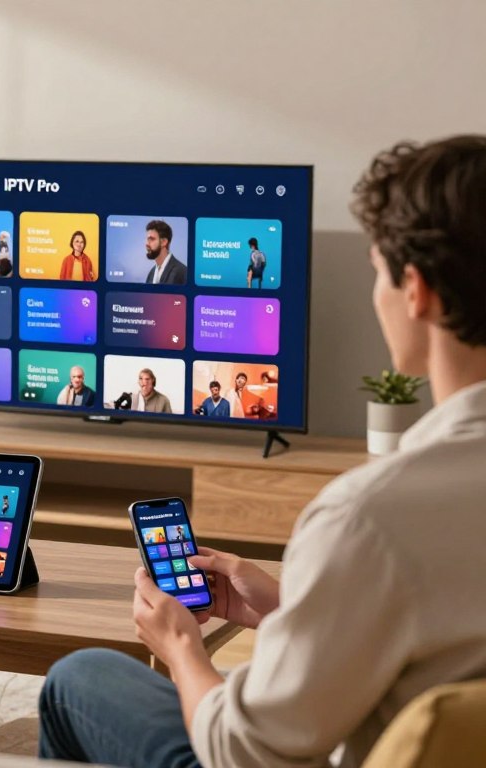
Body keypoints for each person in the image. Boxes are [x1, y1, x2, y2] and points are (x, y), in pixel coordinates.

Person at [39, 135, 486, 768]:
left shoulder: (369, 517)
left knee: (79, 679)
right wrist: (291, 611)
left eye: (377, 271)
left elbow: (240, 752)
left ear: (415, 290)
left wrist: (182, 648)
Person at [145, 220, 187, 285]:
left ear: (164, 242)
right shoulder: (151, 274)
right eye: (147, 239)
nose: (147, 244)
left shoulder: (181, 272)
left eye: (151, 239)